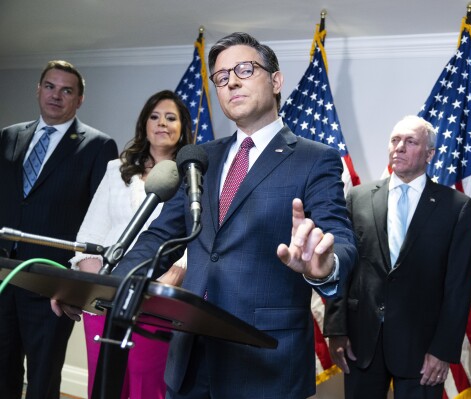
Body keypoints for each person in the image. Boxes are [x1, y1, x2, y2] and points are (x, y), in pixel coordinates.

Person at [54, 32, 357, 399]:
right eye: (221, 76)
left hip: (264, 359)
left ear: (276, 80)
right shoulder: (200, 157)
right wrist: (99, 288)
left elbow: (338, 238)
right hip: (189, 357)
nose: (231, 81)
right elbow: (158, 238)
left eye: (245, 69)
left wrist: (324, 267)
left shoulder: (315, 158)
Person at [324, 115, 471, 399]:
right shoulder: (358, 198)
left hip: (422, 350)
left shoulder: (456, 207)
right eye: (395, 140)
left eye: (410, 141)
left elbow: (459, 285)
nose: (399, 147)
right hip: (361, 344)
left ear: (429, 153)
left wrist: (442, 350)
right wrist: (336, 328)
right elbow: (341, 268)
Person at [0, 60, 118, 399]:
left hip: (51, 283)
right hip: (4, 273)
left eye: (67, 90)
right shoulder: (9, 136)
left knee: (43, 376)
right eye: (50, 87)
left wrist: (76, 284)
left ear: (79, 99)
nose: (56, 95)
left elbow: (100, 219)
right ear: (38, 90)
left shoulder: (98, 146)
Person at [69, 90, 192, 399]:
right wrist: (101, 288)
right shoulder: (116, 170)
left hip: (156, 298)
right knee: (104, 382)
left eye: (171, 117)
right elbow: (90, 237)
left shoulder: (193, 178)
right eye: (154, 116)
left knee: (146, 384)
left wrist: (161, 283)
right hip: (106, 294)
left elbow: (191, 240)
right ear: (144, 124)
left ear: (183, 128)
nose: (161, 123)